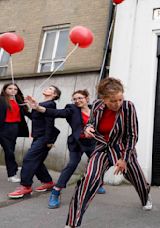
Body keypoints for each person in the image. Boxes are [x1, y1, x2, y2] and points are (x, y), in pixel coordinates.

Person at [65, 77, 151, 228]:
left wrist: (124, 158)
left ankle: (145, 199)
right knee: (89, 180)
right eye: (112, 101)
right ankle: (73, 223)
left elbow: (132, 135)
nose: (117, 103)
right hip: (102, 148)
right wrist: (88, 128)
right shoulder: (97, 105)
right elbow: (92, 121)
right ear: (103, 99)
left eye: (120, 99)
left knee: (139, 181)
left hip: (123, 148)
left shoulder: (128, 107)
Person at [25, 89, 106, 209]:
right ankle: (56, 192)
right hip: (77, 143)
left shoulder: (95, 109)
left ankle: (97, 182)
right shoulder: (72, 109)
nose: (77, 101)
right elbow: (55, 112)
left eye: (80, 98)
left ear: (87, 98)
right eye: (75, 99)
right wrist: (37, 107)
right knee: (72, 165)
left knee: (98, 164)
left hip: (92, 143)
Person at [8, 85, 61, 198]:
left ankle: (25, 186)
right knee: (37, 161)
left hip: (44, 137)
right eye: (48, 87)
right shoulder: (41, 104)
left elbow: (49, 124)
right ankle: (48, 182)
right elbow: (34, 117)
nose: (47, 89)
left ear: (55, 95)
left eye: (51, 89)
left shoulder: (50, 104)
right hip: (39, 137)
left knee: (29, 159)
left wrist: (48, 141)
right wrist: (24, 107)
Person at [0, 83, 29, 182]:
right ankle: (12, 174)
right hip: (3, 128)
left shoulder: (19, 101)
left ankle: (13, 170)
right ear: (5, 89)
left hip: (14, 128)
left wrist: (32, 105)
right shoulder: (1, 99)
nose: (13, 90)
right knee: (9, 151)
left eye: (15, 89)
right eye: (10, 88)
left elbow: (29, 114)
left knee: (10, 151)